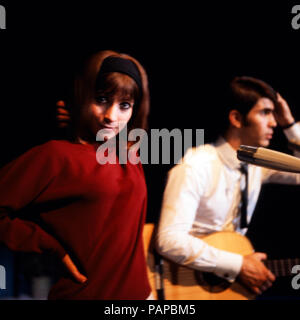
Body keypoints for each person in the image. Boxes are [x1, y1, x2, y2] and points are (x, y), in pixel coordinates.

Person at [0, 50, 152, 300]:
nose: (111, 116)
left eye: (124, 105)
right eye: (101, 99)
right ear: (84, 96)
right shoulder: (56, 155)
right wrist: (50, 247)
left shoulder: (130, 155)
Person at [156, 76, 300, 296]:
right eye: (264, 113)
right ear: (236, 118)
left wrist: (290, 124)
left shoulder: (257, 165)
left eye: (274, 114)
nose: (273, 123)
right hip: (180, 285)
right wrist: (238, 264)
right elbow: (169, 239)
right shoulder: (196, 165)